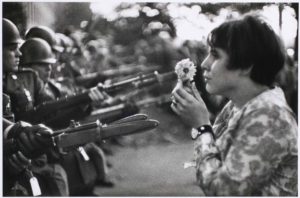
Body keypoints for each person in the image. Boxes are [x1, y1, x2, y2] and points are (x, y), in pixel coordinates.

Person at [171, 14, 297, 196]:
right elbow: (213, 158)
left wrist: (201, 127)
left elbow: (223, 190)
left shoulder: (269, 114)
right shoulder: (238, 105)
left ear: (246, 65)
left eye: (215, 55)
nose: (205, 64)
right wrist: (198, 118)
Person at [3, 18, 69, 196]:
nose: (19, 54)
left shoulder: (20, 80)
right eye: (11, 48)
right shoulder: (14, 82)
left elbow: (49, 110)